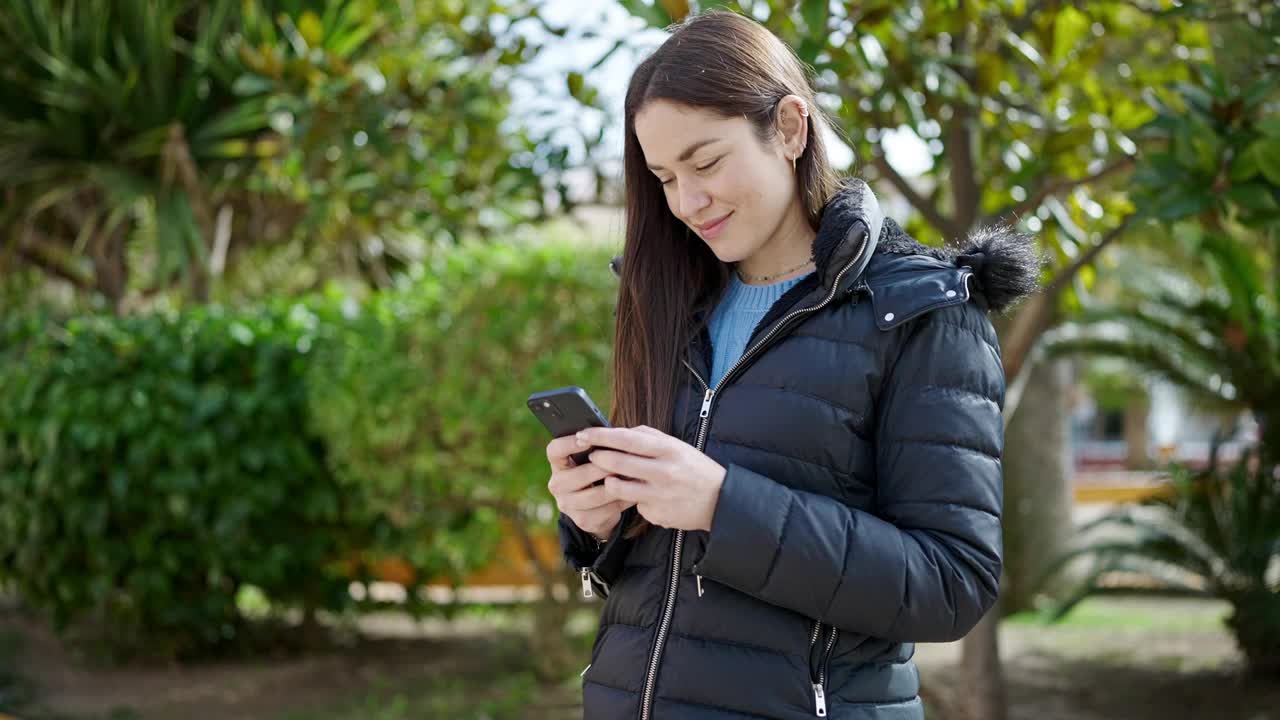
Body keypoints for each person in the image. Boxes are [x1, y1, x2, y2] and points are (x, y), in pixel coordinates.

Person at [545, 9, 1041, 720]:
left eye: (707, 162)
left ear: (789, 128)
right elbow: (658, 567)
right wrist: (597, 524)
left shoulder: (921, 312)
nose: (688, 202)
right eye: (664, 177)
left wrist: (723, 504)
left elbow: (952, 582)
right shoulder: (672, 308)